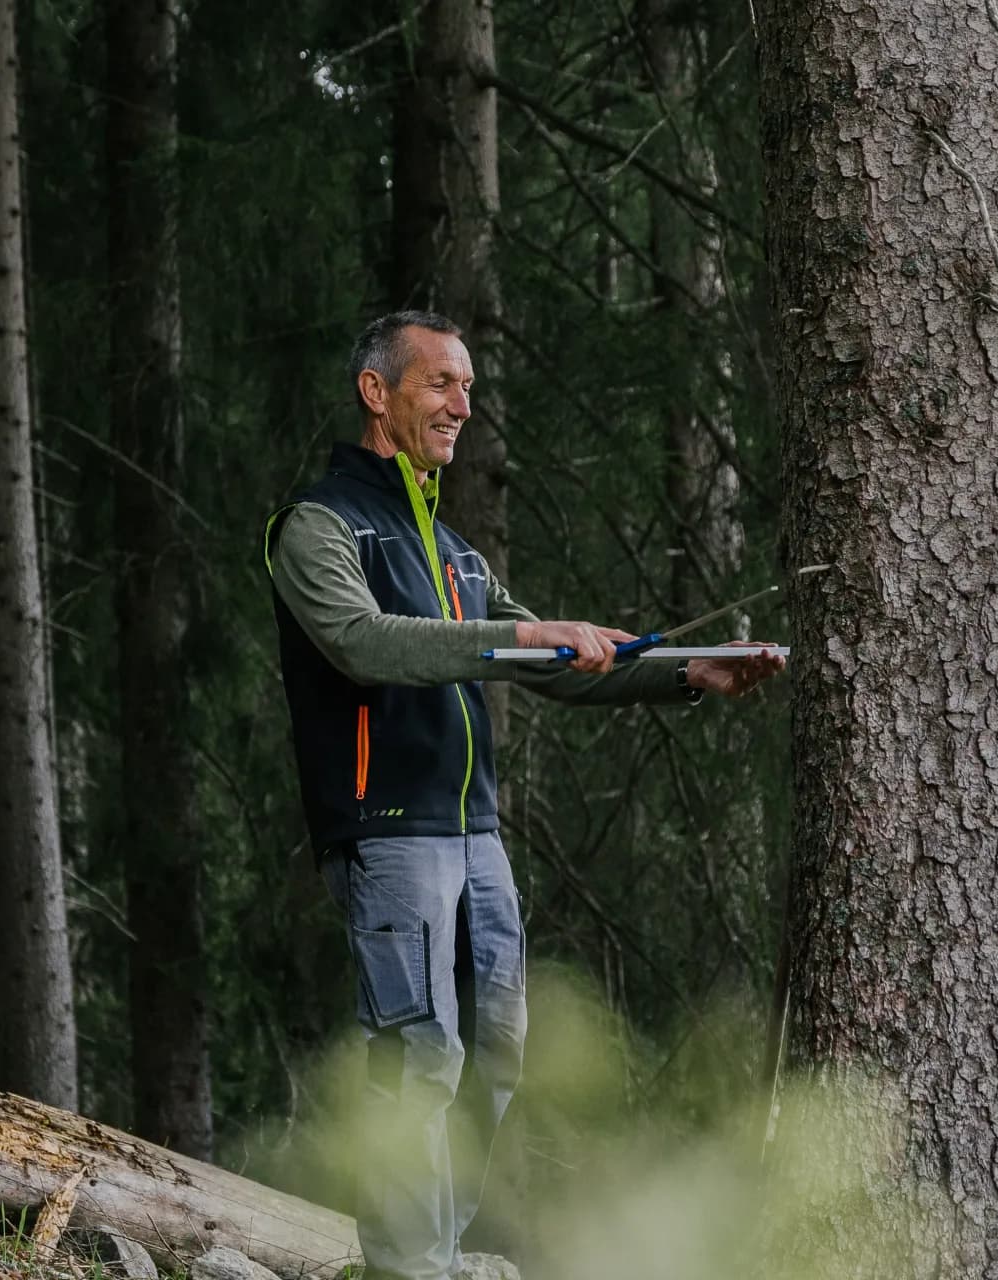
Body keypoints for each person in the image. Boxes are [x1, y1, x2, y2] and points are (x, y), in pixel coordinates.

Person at [264, 310, 783, 1280]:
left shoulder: (457, 549)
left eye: (468, 385)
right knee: (418, 1062)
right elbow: (364, 641)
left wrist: (686, 671)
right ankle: (407, 1266)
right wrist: (521, 637)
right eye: (441, 384)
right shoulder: (321, 526)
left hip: (478, 837)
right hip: (389, 834)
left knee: (492, 1060)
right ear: (378, 393)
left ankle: (439, 1257)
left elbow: (550, 662)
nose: (464, 404)